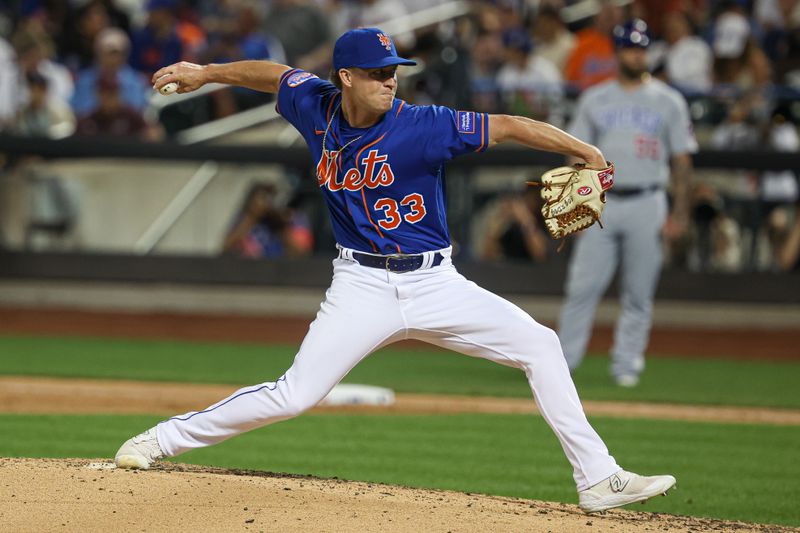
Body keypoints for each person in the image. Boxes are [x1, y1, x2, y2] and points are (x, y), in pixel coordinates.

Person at [115, 27, 677, 513]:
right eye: (378, 72)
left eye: (395, 70)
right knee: (294, 395)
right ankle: (161, 439)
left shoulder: (425, 124)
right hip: (360, 285)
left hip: (436, 283)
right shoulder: (314, 104)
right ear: (345, 78)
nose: (391, 80)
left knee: (540, 345)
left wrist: (586, 152)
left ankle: (599, 478)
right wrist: (205, 72)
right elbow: (274, 75)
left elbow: (505, 125)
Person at [556, 19, 697, 388]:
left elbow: (682, 161)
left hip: (649, 199)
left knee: (638, 291)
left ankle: (626, 364)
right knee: (581, 287)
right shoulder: (595, 98)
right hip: (604, 203)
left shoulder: (669, 100)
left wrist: (679, 212)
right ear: (618, 53)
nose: (637, 53)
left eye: (642, 47)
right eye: (631, 47)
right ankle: (563, 364)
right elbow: (576, 157)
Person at [222, 182, 313, 258]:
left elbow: (302, 255)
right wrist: (251, 218)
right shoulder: (245, 217)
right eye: (264, 197)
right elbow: (225, 248)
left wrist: (279, 225)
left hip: (283, 273)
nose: (268, 203)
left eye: (273, 197)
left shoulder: (296, 218)